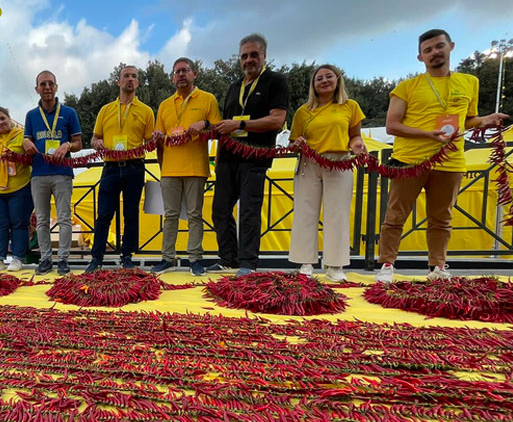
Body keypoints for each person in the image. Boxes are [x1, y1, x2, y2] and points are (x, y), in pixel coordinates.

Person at [376, 29, 506, 282]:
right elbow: (391, 125)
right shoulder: (406, 87)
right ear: (420, 57)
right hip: (409, 161)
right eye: (428, 50)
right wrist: (428, 134)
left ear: (451, 46)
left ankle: (437, 267)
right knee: (395, 216)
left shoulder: (470, 82)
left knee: (442, 217)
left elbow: (466, 120)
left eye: (439, 46)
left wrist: (485, 121)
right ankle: (387, 266)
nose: (435, 52)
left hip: (451, 160)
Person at [211, 34, 289, 276]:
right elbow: (225, 124)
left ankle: (248, 263)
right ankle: (228, 258)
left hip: (255, 158)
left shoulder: (275, 81)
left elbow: (277, 120)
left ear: (264, 55)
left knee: (249, 211)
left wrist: (240, 126)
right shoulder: (234, 87)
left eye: (254, 55)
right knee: (220, 210)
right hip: (228, 159)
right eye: (244, 56)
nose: (248, 60)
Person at [288, 64, 367, 282]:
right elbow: (293, 142)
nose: (324, 81)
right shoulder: (303, 111)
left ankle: (335, 265)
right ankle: (305, 264)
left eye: (328, 76)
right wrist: (297, 143)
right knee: (305, 212)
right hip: (309, 163)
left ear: (337, 79)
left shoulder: (350, 106)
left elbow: (355, 135)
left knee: (337, 213)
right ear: (313, 84)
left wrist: (358, 145)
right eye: (319, 78)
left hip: (339, 162)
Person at [153, 58, 223, 276]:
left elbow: (219, 128)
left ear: (195, 74)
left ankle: (195, 259)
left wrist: (205, 124)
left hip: (195, 167)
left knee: (194, 215)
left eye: (185, 70)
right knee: (170, 215)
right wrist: (159, 143)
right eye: (177, 72)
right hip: (170, 170)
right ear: (172, 78)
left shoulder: (207, 99)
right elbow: (159, 138)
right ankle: (167, 258)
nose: (181, 74)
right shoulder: (164, 105)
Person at [85, 66, 155, 273]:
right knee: (104, 214)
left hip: (135, 167)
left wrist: (156, 139)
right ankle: (96, 258)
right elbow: (94, 137)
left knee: (131, 214)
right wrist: (97, 143)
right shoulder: (105, 110)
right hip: (110, 168)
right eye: (126, 76)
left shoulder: (146, 111)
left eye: (134, 76)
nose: (130, 79)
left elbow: (150, 142)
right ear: (118, 82)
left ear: (139, 83)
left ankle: (127, 256)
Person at [23, 71, 82, 275]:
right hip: (39, 173)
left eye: (50, 84)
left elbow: (78, 143)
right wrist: (26, 142)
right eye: (42, 84)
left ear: (56, 87)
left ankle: (63, 259)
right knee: (41, 219)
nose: (47, 87)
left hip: (62, 172)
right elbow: (26, 139)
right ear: (37, 89)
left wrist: (66, 145)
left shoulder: (69, 112)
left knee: (64, 217)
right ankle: (46, 258)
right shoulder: (31, 115)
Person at [0, 107, 33, 272]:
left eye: (3, 118)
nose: (0, 122)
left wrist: (17, 157)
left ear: (9, 118)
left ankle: (17, 258)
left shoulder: (22, 135)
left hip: (20, 186)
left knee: (19, 224)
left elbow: (32, 159)